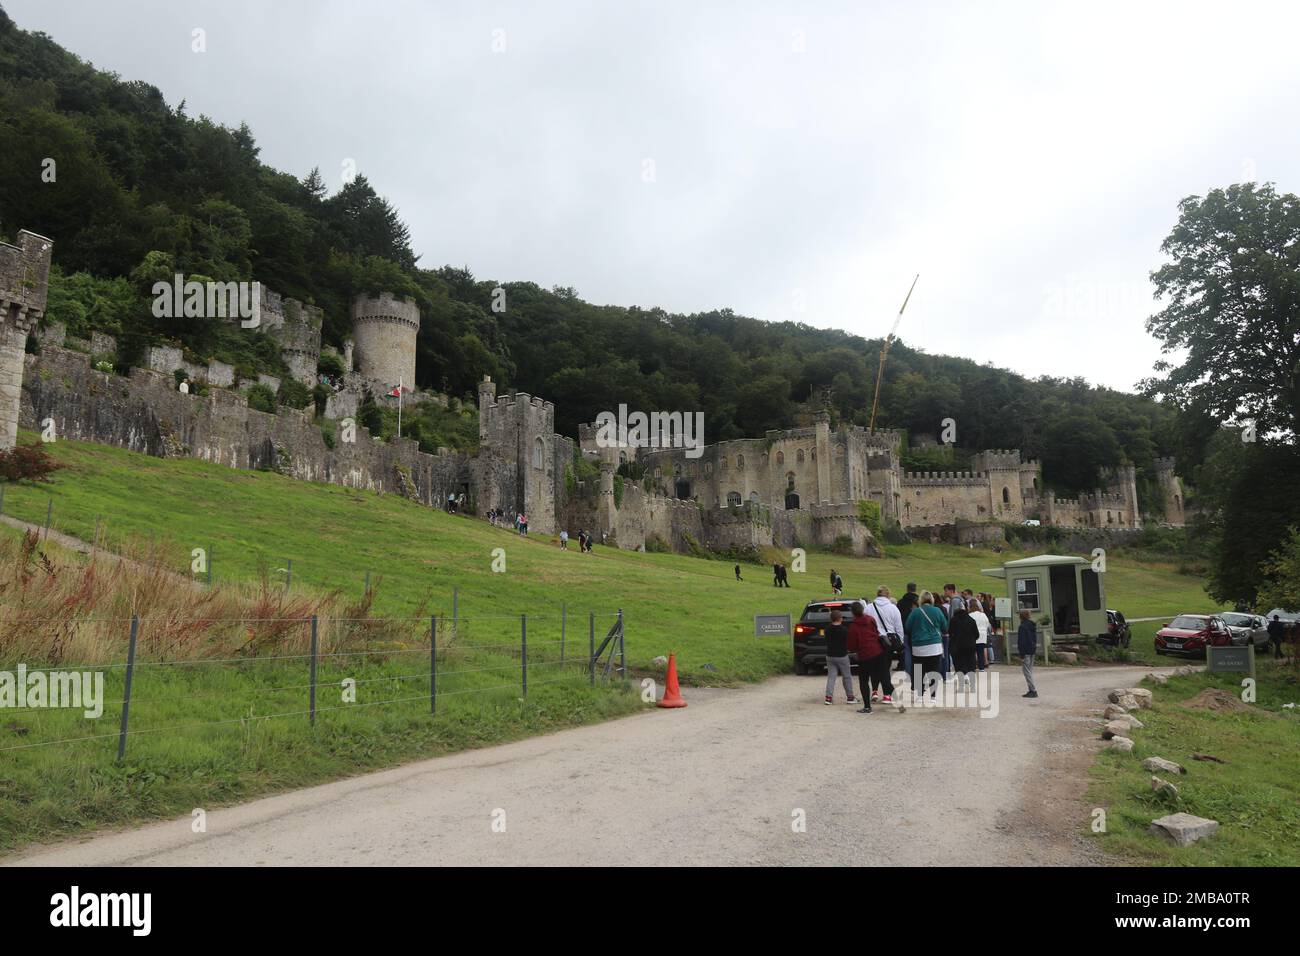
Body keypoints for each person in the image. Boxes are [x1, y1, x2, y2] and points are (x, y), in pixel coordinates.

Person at [862, 586, 904, 702]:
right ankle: (887, 694)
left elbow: (865, 626)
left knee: (874, 667)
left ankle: (874, 691)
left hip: (873, 640)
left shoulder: (868, 608)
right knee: (885, 667)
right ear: (888, 595)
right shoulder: (893, 608)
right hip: (888, 642)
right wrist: (899, 642)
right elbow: (899, 627)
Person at [848, 602, 891, 713]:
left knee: (863, 680)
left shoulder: (853, 626)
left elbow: (852, 645)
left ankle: (867, 707)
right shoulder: (870, 619)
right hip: (878, 651)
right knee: (884, 678)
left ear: (852, 612)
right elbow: (876, 632)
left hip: (865, 655)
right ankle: (898, 702)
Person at [905, 591, 947, 699]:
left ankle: (920, 694)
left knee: (919, 670)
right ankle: (933, 696)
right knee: (934, 670)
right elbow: (945, 626)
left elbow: (907, 627)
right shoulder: (937, 610)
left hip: (918, 646)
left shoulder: (915, 612)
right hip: (934, 646)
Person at [822, 609, 856, 706]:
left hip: (830, 655)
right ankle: (850, 696)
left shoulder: (827, 629)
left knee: (831, 676)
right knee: (846, 676)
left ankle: (828, 697)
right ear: (840, 619)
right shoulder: (844, 630)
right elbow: (848, 642)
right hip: (842, 655)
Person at [949, 603, 979, 683]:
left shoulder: (953, 620)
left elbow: (950, 632)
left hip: (957, 645)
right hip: (970, 645)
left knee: (959, 661)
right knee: (970, 660)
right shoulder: (971, 620)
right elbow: (976, 634)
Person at [1017, 609, 1039, 698]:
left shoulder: (1022, 627)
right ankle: (1031, 689)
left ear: (1021, 616)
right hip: (1032, 649)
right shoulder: (1031, 625)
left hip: (1026, 650)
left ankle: (1032, 690)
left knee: (1026, 671)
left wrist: (1021, 653)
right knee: (1029, 670)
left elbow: (1021, 641)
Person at [969, 598, 991, 670]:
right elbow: (987, 624)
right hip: (982, 635)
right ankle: (982, 668)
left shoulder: (970, 615)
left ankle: (973, 666)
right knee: (980, 652)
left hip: (973, 636)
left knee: (972, 653)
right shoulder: (983, 615)